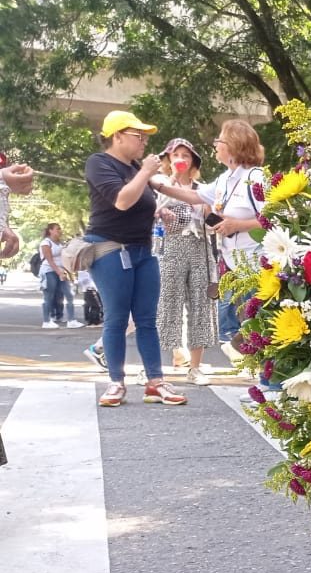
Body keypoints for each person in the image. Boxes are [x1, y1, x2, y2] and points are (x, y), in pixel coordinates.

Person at [83, 110, 187, 407]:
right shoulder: (100, 163)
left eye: (144, 137)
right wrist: (145, 172)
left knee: (147, 319)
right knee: (116, 318)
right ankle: (116, 382)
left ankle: (156, 381)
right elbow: (122, 200)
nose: (144, 142)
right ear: (116, 137)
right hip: (110, 249)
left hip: (143, 250)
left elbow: (158, 196)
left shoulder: (136, 167)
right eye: (137, 136)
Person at [161, 120, 266, 362]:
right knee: (245, 326)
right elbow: (195, 195)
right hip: (234, 266)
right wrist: (158, 184)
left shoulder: (255, 178)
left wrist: (237, 225)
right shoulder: (225, 179)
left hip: (256, 265)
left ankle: (268, 384)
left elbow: (275, 218)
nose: (215, 144)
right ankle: (260, 380)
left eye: (219, 139)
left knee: (259, 326)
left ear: (233, 145)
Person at [155, 138, 217, 385]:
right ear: (168, 159)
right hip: (170, 247)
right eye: (176, 155)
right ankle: (155, 366)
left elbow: (215, 221)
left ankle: (195, 368)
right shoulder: (159, 185)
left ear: (193, 161)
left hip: (200, 248)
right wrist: (161, 211)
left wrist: (209, 212)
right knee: (167, 304)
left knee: (201, 305)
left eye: (186, 155)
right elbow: (149, 213)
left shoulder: (203, 189)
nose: (180, 159)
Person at [38, 223, 83, 329]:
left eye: (60, 229)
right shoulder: (46, 243)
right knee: (49, 296)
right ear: (50, 230)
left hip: (62, 271)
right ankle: (46, 321)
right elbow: (49, 260)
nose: (60, 231)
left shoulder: (60, 243)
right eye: (57, 229)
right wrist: (59, 272)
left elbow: (64, 259)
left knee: (69, 294)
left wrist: (69, 274)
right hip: (49, 271)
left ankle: (71, 320)